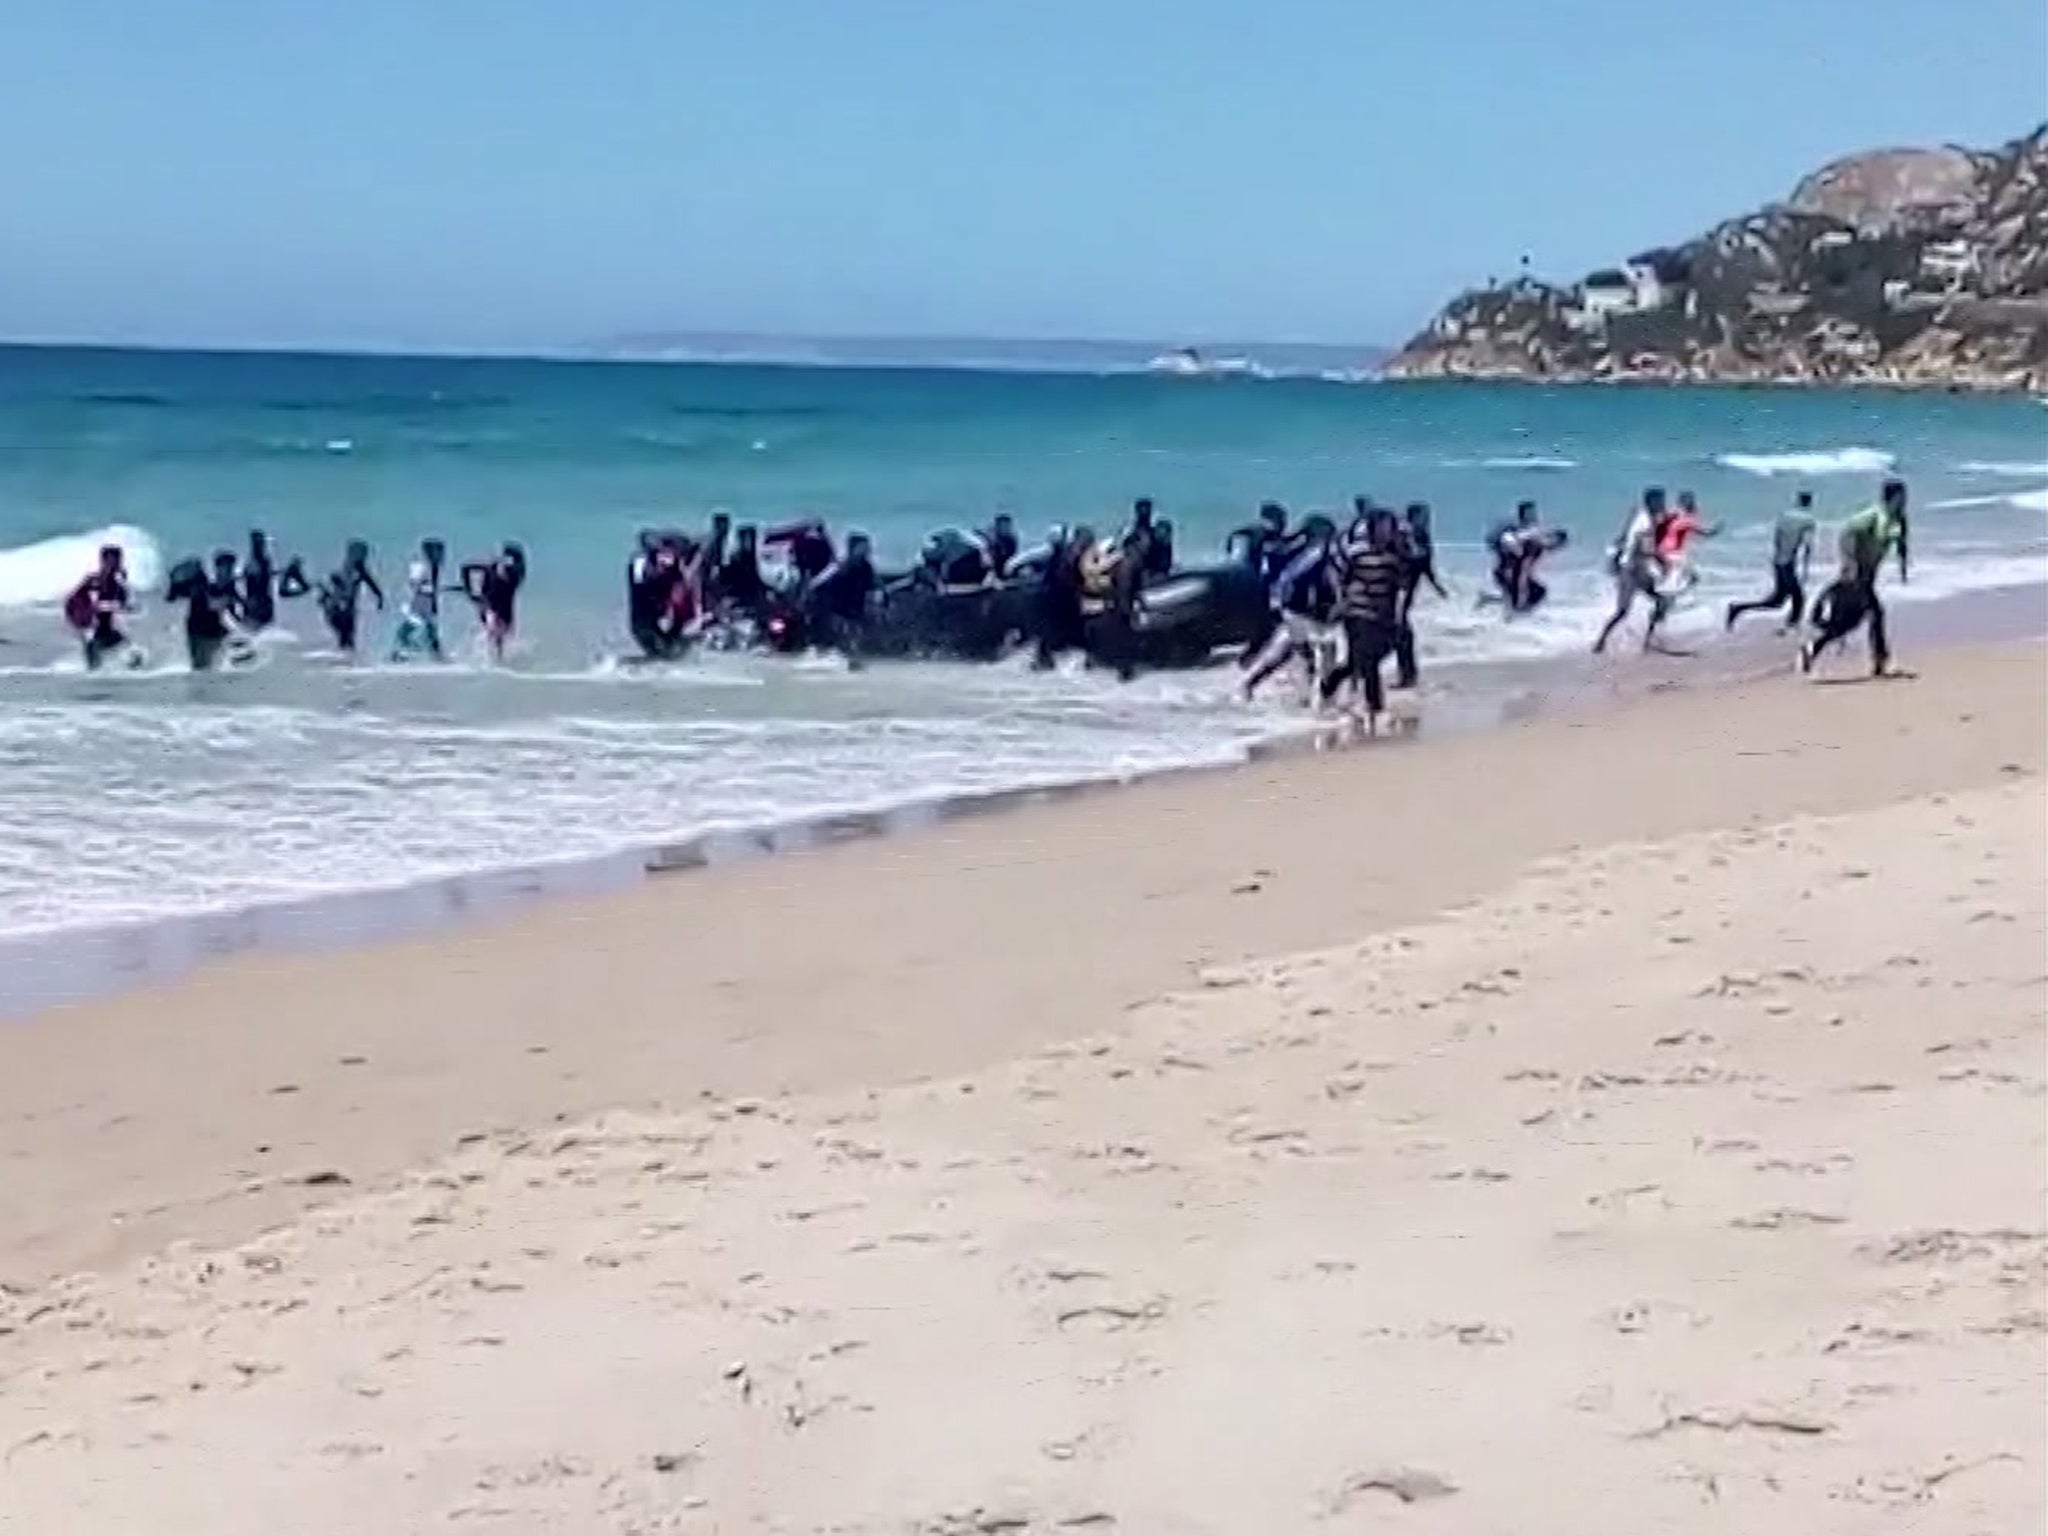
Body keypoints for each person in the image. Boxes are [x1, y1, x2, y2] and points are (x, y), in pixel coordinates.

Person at [1803, 478, 1909, 677]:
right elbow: (1847, 533)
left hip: (1867, 576)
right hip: (1857, 575)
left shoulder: (1898, 517)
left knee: (1848, 622)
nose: (1905, 500)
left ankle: (1812, 648)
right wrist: (1850, 564)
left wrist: (1903, 563)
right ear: (1893, 497)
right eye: (1902, 496)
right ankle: (1881, 662)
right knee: (1876, 615)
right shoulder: (1875, 516)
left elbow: (1901, 540)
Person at [1319, 506, 1407, 729]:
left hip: (1382, 613)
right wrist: (1341, 601)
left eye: (1389, 526)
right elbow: (1338, 576)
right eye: (1382, 526)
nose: (1386, 531)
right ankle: (1375, 708)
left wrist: (1398, 613)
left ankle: (1330, 683)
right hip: (1357, 611)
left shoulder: (1394, 555)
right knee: (1368, 662)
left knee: (1363, 660)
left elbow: (1399, 587)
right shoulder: (1356, 551)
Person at [1241, 515, 1340, 701]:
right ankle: (1320, 698)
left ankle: (1250, 683)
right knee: (1322, 652)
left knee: (1288, 651)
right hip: (1302, 612)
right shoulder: (1318, 554)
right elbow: (1311, 583)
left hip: (1292, 609)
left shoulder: (1304, 552)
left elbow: (1287, 578)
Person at [1594, 488, 1677, 655]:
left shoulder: (1645, 517)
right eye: (1660, 501)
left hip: (1638, 568)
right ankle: (1601, 642)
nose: (1663, 504)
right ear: (1651, 503)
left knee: (1661, 601)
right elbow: (1645, 548)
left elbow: (1623, 538)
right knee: (1624, 610)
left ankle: (1648, 640)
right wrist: (1662, 562)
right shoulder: (1644, 522)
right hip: (1631, 571)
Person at [1727, 490, 1818, 632]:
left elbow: (1777, 539)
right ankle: (1791, 625)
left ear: (1797, 500)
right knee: (1797, 597)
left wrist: (1779, 558)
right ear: (1810, 502)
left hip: (1778, 561)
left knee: (1777, 601)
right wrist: (1805, 569)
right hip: (1788, 563)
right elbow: (1807, 546)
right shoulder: (1808, 520)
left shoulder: (1784, 516)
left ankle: (1738, 608)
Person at [1395, 502, 1446, 689]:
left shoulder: (1422, 536)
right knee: (1400, 632)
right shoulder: (1402, 538)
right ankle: (1407, 675)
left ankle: (1408, 675)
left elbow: (1426, 565)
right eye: (1423, 516)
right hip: (1397, 590)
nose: (1426, 520)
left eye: (1427, 517)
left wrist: (1436, 585)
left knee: (1402, 632)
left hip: (1407, 590)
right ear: (1412, 518)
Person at [165, 551, 242, 671]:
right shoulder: (203, 585)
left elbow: (232, 613)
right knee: (200, 667)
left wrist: (241, 627)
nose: (229, 572)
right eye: (226, 568)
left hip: (216, 629)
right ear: (217, 568)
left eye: (231, 568)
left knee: (215, 667)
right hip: (198, 630)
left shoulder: (230, 588)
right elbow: (172, 598)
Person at [806, 530, 876, 661]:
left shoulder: (867, 567)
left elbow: (873, 585)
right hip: (837, 607)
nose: (867, 549)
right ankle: (838, 658)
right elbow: (816, 583)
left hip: (855, 607)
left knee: (856, 635)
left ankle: (851, 660)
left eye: (867, 546)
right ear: (853, 547)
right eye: (863, 546)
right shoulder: (840, 565)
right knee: (844, 635)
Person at [64, 544, 133, 671]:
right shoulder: (94, 580)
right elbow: (81, 601)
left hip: (105, 630)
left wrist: (124, 606)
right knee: (95, 668)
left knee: (129, 651)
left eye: (117, 560)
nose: (115, 563)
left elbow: (122, 602)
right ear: (103, 560)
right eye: (111, 560)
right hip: (92, 632)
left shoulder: (117, 582)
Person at [1033, 526, 1089, 670]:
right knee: (1053, 631)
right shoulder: (1052, 553)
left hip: (1061, 598)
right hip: (1056, 598)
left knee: (1058, 632)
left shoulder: (1069, 553)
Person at [462, 542, 526, 662]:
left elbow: (520, 568)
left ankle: (497, 661)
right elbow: (465, 568)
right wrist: (470, 591)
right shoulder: (490, 569)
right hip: (489, 608)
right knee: (492, 634)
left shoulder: (515, 576)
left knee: (502, 638)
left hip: (505, 611)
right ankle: (488, 662)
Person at [318, 540, 383, 655]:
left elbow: (371, 584)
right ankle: (343, 664)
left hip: (340, 608)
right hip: (341, 608)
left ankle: (342, 664)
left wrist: (379, 597)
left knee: (346, 639)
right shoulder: (353, 569)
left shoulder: (351, 568)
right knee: (347, 639)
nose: (365, 556)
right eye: (363, 553)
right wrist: (379, 597)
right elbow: (367, 584)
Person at [390, 538, 449, 661]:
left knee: (429, 630)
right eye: (438, 551)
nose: (441, 555)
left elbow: (433, 587)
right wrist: (430, 590)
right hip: (415, 604)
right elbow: (413, 584)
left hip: (426, 606)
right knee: (412, 628)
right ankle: (399, 652)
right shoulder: (420, 567)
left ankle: (436, 654)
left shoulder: (434, 568)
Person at [1657, 490, 1720, 593]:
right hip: (1673, 553)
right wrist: (1714, 531)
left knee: (1690, 577)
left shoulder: (1674, 513)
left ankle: (1673, 595)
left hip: (1666, 550)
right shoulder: (1684, 517)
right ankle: (1672, 594)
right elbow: (1703, 532)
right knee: (1689, 578)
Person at [715, 524, 769, 619]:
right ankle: (724, 534)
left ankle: (722, 532)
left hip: (743, 588)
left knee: (747, 561)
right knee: (747, 561)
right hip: (741, 588)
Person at [766, 518, 836, 585]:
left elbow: (830, 556)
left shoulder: (814, 543)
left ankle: (768, 537)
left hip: (813, 567)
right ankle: (769, 537)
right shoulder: (820, 542)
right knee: (800, 536)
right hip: (815, 565)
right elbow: (832, 556)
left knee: (799, 536)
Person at [982, 514, 1020, 579]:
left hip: (1006, 568)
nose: (1005, 528)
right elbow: (988, 558)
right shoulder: (992, 540)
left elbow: (1013, 556)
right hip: (990, 569)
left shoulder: (1011, 540)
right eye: (1002, 526)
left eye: (1007, 526)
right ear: (997, 526)